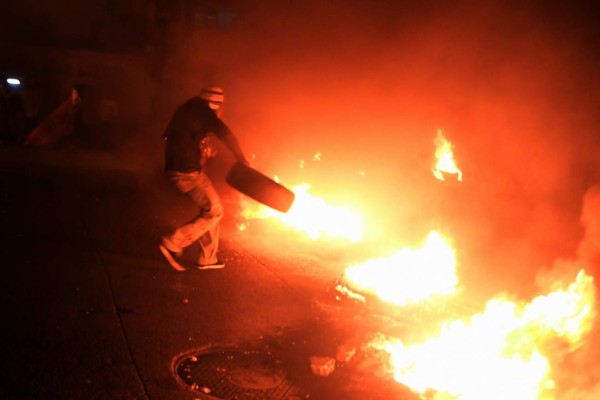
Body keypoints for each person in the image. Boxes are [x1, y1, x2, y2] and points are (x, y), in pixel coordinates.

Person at [159, 85, 249, 271]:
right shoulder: (205, 113)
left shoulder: (187, 108)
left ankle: (208, 257)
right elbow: (226, 134)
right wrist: (241, 158)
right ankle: (173, 242)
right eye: (218, 106)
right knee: (215, 211)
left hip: (179, 168)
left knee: (210, 208)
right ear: (214, 103)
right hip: (186, 172)